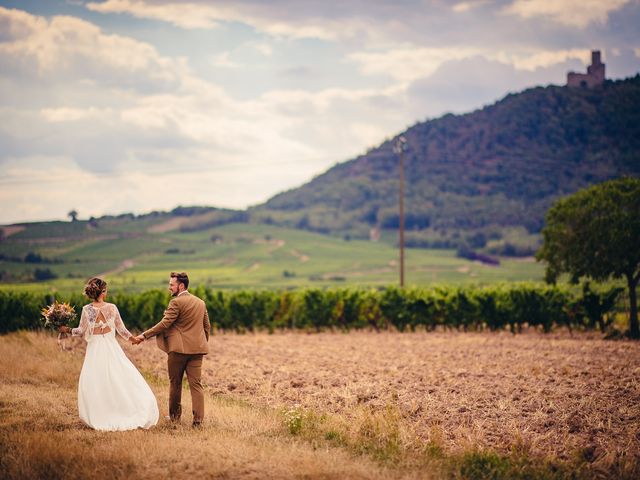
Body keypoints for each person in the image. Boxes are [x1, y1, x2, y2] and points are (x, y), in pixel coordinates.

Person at [59, 277, 159, 431]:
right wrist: (134, 339)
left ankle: (100, 412)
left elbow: (80, 331)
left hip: (95, 348)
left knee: (95, 380)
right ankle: (124, 408)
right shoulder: (112, 308)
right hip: (110, 347)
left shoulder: (87, 309)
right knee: (119, 376)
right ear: (103, 292)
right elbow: (122, 329)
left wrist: (66, 329)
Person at [132, 272, 210, 427]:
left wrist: (144, 335)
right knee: (196, 384)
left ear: (181, 285)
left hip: (178, 351)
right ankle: (198, 421)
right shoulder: (201, 302)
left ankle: (174, 418)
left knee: (175, 383)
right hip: (197, 350)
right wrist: (200, 343)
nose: (169, 288)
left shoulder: (176, 302)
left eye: (171, 285)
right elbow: (206, 326)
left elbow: (164, 323)